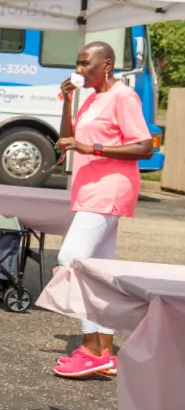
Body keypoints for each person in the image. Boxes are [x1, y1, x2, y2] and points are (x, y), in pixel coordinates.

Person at [50, 41, 153, 379]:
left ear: (106, 64)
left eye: (84, 64)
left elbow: (144, 146)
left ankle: (93, 349)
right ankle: (105, 352)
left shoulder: (122, 96)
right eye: (77, 64)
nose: (78, 71)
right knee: (98, 270)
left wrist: (90, 147)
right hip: (90, 190)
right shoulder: (92, 98)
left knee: (72, 261)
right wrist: (67, 104)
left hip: (109, 189)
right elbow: (67, 142)